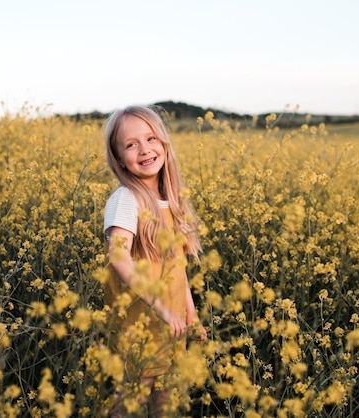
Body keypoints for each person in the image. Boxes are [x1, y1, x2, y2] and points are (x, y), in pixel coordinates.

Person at [102, 105, 207, 417]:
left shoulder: (171, 202)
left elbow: (178, 269)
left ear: (164, 144)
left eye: (151, 139)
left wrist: (191, 315)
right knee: (132, 399)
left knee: (166, 400)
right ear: (119, 158)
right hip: (141, 323)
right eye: (131, 144)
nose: (144, 149)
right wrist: (162, 308)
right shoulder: (126, 199)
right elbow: (119, 257)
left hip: (170, 322)